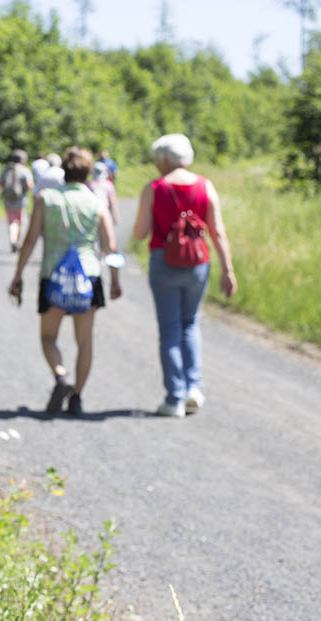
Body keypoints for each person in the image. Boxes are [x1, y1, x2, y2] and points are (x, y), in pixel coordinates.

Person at [9, 147, 122, 416]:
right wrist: (115, 280)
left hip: (53, 276)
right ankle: (77, 397)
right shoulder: (96, 202)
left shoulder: (46, 199)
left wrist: (18, 274)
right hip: (89, 277)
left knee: (48, 337)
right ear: (88, 171)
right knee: (85, 341)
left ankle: (61, 376)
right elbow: (111, 245)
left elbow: (30, 240)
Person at [131, 133, 237, 417]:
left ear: (164, 160)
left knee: (169, 331)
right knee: (190, 324)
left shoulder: (154, 188)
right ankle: (193, 387)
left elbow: (140, 233)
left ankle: (174, 398)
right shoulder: (205, 186)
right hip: (198, 263)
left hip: (163, 262)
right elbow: (218, 231)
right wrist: (228, 268)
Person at [0, 149, 33, 252]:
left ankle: (12, 240)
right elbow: (29, 185)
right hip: (21, 200)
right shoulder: (25, 170)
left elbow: (0, 183)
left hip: (8, 199)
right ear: (23, 160)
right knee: (21, 221)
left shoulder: (6, 169)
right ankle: (18, 242)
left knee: (12, 221)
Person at [88, 162, 119, 226]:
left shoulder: (89, 185)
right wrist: (115, 217)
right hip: (106, 214)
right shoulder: (108, 185)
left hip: (92, 216)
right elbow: (112, 203)